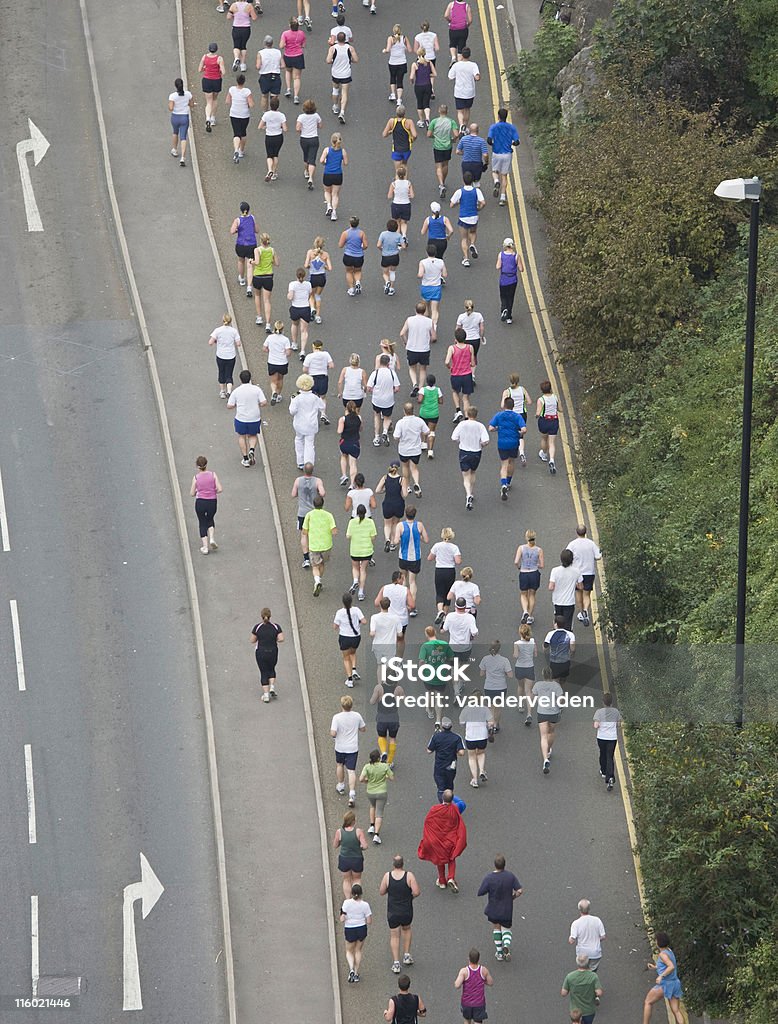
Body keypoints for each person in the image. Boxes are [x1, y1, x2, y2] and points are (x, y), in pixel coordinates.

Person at [418, 788, 467, 890]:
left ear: (442, 798)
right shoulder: (455, 809)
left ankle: (442, 881)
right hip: (450, 840)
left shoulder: (434, 809)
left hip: (437, 840)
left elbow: (428, 822)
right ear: (452, 799)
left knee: (440, 860)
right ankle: (451, 877)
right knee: (451, 858)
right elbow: (462, 805)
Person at [380, 857, 421, 975]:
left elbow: (382, 891)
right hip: (406, 910)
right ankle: (407, 955)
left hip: (392, 911)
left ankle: (396, 963)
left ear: (393, 864)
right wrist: (410, 897)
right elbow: (417, 892)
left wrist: (391, 891)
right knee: (406, 929)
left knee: (394, 935)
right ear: (403, 864)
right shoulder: (409, 876)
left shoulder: (387, 876)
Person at [478, 855, 523, 961]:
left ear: (495, 865)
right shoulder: (510, 876)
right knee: (506, 928)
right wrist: (513, 897)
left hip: (493, 909)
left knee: (496, 928)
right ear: (504, 865)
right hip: (507, 909)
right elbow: (520, 890)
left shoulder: (489, 878)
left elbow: (480, 892)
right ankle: (506, 945)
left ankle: (499, 953)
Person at [331, 694, 367, 807]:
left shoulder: (336, 717)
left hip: (340, 747)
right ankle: (352, 793)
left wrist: (334, 735)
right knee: (351, 770)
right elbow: (363, 729)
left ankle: (341, 785)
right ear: (351, 705)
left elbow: (333, 733)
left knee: (340, 765)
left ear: (342, 705)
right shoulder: (357, 716)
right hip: (352, 748)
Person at [488, 396, 526, 500]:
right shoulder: (517, 416)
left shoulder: (499, 415)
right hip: (514, 443)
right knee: (511, 462)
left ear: (504, 405)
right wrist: (518, 432)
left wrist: (498, 428)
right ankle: (508, 482)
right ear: (513, 406)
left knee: (504, 464)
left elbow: (490, 428)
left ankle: (503, 483)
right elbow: (524, 429)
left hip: (502, 443)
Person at [227, 369, 267, 466]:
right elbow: (264, 402)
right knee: (252, 435)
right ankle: (252, 449)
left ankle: (245, 458)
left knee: (242, 436)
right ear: (250, 378)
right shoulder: (257, 390)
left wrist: (237, 405)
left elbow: (229, 405)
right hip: (254, 417)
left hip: (241, 418)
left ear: (240, 379)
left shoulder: (237, 391)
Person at [452, 406, 489, 510]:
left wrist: (460, 441)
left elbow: (453, 437)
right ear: (476, 415)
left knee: (465, 475)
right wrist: (481, 445)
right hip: (476, 452)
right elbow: (486, 440)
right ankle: (471, 493)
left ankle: (468, 494)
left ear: (467, 414)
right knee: (473, 472)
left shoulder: (462, 424)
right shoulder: (480, 426)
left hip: (464, 451)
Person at [643, 933, 685, 1024]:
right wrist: (655, 967)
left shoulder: (662, 955)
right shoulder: (669, 951)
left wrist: (661, 976)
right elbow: (666, 965)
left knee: (648, 1002)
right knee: (676, 1010)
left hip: (666, 984)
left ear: (658, 943)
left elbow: (671, 966)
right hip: (675, 984)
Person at [302, 494, 337, 595]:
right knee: (322, 564)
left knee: (315, 566)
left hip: (314, 545)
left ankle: (317, 581)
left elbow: (304, 532)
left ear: (313, 504)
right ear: (323, 504)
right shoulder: (329, 515)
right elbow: (334, 531)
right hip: (326, 545)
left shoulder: (309, 515)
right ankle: (319, 580)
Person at [291, 462, 325, 568]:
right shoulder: (317, 481)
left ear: (304, 470)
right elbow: (323, 493)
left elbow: (293, 494)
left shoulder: (298, 480)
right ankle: (316, 554)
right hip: (314, 512)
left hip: (302, 512)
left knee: (304, 535)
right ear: (312, 470)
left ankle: (306, 559)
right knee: (315, 533)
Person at [568, 524, 602, 627]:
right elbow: (598, 556)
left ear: (577, 532)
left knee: (578, 594)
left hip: (577, 573)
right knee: (586, 594)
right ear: (585, 532)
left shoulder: (572, 544)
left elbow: (567, 556)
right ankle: (586, 610)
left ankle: (582, 612)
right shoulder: (591, 544)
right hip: (589, 572)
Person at [459, 691, 494, 788]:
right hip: (482, 736)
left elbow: (461, 722)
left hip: (470, 736)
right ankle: (482, 770)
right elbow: (491, 722)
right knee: (481, 753)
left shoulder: (466, 709)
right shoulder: (485, 709)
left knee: (471, 757)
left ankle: (474, 779)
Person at [418, 626, 453, 724]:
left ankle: (430, 711)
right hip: (441, 675)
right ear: (435, 632)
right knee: (439, 697)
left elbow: (421, 661)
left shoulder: (425, 646)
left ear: (426, 634)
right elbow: (450, 657)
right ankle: (438, 720)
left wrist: (421, 669)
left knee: (429, 693)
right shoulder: (445, 644)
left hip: (428, 675)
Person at [393, 404, 430, 497]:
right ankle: (416, 483)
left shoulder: (400, 423)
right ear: (413, 410)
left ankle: (407, 486)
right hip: (416, 449)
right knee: (414, 468)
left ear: (404, 411)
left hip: (404, 450)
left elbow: (396, 437)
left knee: (405, 467)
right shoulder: (419, 421)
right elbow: (427, 431)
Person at [394, 507, 428, 606]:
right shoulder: (419, 525)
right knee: (412, 582)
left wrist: (399, 539)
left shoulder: (400, 525)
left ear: (405, 514)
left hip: (403, 557)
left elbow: (396, 541)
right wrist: (418, 536)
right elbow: (426, 540)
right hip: (415, 558)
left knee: (403, 580)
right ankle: (412, 605)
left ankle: (402, 603)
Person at [289, 373, 324, 468]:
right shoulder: (315, 396)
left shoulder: (296, 396)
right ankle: (309, 463)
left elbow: (292, 411)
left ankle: (300, 461)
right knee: (310, 444)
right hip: (311, 424)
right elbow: (322, 406)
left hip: (299, 423)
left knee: (299, 440)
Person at [450, 171, 485, 266]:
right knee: (473, 232)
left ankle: (466, 259)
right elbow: (483, 202)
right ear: (472, 181)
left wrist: (458, 202)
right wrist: (479, 208)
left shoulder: (459, 191)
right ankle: (472, 244)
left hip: (463, 218)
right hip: (474, 217)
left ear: (463, 180)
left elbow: (451, 205)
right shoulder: (477, 191)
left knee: (464, 238)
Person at [376, 569, 413, 657]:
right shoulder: (405, 590)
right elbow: (412, 605)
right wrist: (407, 607)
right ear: (398, 579)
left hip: (387, 619)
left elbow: (377, 602)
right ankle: (399, 659)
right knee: (400, 640)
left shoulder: (385, 588)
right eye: (402, 579)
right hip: (402, 620)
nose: (403, 581)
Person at [359, 748, 394, 843]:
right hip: (381, 792)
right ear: (379, 758)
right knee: (379, 813)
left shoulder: (367, 767)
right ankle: (376, 835)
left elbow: (361, 779)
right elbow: (392, 777)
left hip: (370, 791)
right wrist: (384, 777)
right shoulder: (384, 766)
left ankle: (371, 826)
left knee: (372, 806)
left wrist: (367, 781)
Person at [443, 597, 478, 691]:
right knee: (463, 665)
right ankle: (461, 682)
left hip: (453, 647)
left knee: (454, 667)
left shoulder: (450, 616)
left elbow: (445, 629)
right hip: (466, 647)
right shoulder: (470, 618)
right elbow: (474, 632)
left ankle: (456, 690)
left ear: (455, 606)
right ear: (465, 607)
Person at [533, 667, 564, 774]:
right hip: (553, 713)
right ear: (551, 675)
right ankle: (549, 749)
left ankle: (545, 758)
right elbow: (561, 700)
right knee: (551, 732)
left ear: (543, 674)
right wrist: (560, 706)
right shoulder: (556, 686)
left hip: (542, 712)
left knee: (543, 736)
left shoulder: (538, 685)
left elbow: (533, 695)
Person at [429, 527, 462, 625]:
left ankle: (440, 611)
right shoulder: (454, 547)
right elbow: (458, 561)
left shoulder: (437, 546)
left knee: (439, 592)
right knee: (448, 593)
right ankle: (445, 618)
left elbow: (430, 558)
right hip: (450, 571)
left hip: (439, 570)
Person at [340, 883, 372, 984]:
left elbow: (342, 918)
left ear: (352, 893)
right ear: (361, 894)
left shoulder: (346, 903)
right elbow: (369, 921)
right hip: (361, 928)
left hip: (350, 928)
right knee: (358, 950)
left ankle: (351, 969)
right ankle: (357, 973)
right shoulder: (365, 905)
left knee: (349, 951)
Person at [488, 108, 520, 205]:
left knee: (494, 171)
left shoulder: (493, 127)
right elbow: (517, 142)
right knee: (505, 176)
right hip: (507, 154)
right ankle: (502, 197)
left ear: (498, 116)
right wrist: (512, 143)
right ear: (506, 116)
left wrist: (494, 144)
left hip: (497, 153)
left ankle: (496, 180)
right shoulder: (512, 127)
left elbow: (489, 140)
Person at [401, 301, 436, 393]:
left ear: (415, 310)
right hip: (424, 349)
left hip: (412, 348)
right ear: (424, 311)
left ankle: (414, 384)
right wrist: (430, 340)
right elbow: (434, 337)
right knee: (423, 369)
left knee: (412, 368)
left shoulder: (409, 320)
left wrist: (406, 342)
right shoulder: (429, 321)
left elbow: (402, 333)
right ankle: (421, 388)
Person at [190, 456, 222, 554]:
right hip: (212, 501)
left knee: (202, 522)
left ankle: (205, 547)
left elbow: (191, 493)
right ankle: (212, 538)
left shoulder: (196, 478)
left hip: (200, 502)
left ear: (197, 466)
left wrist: (197, 492)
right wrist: (213, 491)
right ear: (206, 465)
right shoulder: (213, 475)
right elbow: (220, 489)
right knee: (210, 519)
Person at [250, 608, 284, 702]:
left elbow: (252, 640)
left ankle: (266, 695)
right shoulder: (276, 626)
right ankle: (272, 687)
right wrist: (273, 639)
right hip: (273, 651)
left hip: (261, 652)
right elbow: (281, 638)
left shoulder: (258, 627)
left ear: (261, 616)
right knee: (271, 669)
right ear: (270, 616)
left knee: (263, 672)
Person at [334, 591, 366, 687]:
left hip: (344, 637)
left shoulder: (339, 612)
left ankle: (350, 679)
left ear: (343, 602)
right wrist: (358, 622)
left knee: (346, 658)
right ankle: (354, 669)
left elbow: (335, 626)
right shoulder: (356, 610)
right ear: (351, 601)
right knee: (353, 653)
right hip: (356, 637)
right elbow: (364, 621)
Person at [368, 355, 401, 446]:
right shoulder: (392, 373)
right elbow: (397, 388)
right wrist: (392, 391)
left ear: (380, 362)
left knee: (377, 416)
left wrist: (374, 391)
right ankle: (385, 432)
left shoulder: (375, 373)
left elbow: (369, 387)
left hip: (377, 400)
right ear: (388, 363)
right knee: (387, 417)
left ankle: (376, 437)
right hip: (388, 400)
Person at [479, 642, 512, 729]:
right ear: (499, 650)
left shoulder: (485, 659)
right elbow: (510, 675)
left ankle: (490, 725)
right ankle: (496, 724)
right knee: (498, 707)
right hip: (501, 687)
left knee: (491, 707)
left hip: (489, 686)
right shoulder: (505, 660)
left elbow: (481, 673)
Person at [428, 105, 459, 197]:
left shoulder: (434, 121)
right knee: (445, 165)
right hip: (447, 146)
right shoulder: (451, 121)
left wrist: (434, 137)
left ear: (439, 111)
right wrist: (453, 139)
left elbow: (429, 134)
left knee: (438, 166)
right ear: (447, 111)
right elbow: (457, 134)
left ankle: (441, 184)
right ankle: (443, 181)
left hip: (437, 146)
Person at [561, 955, 604, 1024]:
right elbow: (599, 992)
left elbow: (563, 993)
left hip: (575, 1011)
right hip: (589, 1010)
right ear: (588, 963)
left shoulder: (570, 976)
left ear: (577, 962)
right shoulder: (593, 976)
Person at [327, 32, 359, 124]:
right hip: (346, 74)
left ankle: (335, 106)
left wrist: (333, 60)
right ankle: (342, 112)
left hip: (336, 73)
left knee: (335, 90)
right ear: (345, 39)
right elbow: (356, 59)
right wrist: (350, 59)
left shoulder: (332, 48)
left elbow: (328, 60)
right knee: (344, 93)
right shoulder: (350, 48)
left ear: (337, 39)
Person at [208, 313, 242, 400]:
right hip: (231, 356)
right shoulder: (234, 331)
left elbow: (210, 342)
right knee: (229, 374)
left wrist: (217, 341)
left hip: (221, 355)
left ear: (223, 320)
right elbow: (238, 344)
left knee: (221, 372)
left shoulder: (218, 330)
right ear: (230, 321)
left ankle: (222, 391)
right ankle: (229, 391)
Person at [333, 813, 368, 898]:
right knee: (357, 879)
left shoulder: (339, 831)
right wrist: (360, 848)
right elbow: (365, 846)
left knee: (346, 880)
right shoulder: (358, 831)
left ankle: (348, 900)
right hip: (356, 859)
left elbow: (335, 845)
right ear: (353, 821)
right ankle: (356, 896)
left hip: (344, 858)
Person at [249, 232, 279, 330]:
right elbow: (277, 263)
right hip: (268, 276)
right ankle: (268, 324)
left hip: (258, 276)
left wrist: (251, 262)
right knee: (267, 300)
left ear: (261, 241)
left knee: (257, 296)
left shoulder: (257, 250)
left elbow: (257, 262)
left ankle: (259, 317)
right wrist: (271, 260)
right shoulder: (272, 250)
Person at [455, 949, 493, 1023]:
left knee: (467, 1020)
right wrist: (483, 980)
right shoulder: (484, 970)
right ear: (478, 959)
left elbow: (457, 985)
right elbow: (490, 982)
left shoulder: (464, 971)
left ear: (468, 958)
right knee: (478, 1022)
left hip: (466, 1003)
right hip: (479, 1004)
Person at [370, 597, 403, 683]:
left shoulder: (374, 617)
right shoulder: (395, 618)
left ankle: (380, 685)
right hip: (390, 645)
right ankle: (389, 684)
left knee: (380, 665)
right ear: (389, 606)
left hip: (378, 645)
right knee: (389, 666)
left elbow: (372, 633)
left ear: (380, 606)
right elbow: (400, 634)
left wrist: (373, 633)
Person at [593, 692, 622, 791]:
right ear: (611, 703)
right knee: (610, 756)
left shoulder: (599, 712)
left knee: (602, 753)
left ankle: (603, 771)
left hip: (601, 737)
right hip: (612, 738)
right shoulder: (616, 712)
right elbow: (619, 724)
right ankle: (610, 777)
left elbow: (596, 725)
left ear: (603, 702)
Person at [347, 504, 377, 599]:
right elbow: (373, 537)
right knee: (363, 569)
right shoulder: (370, 522)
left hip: (355, 550)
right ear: (365, 513)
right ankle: (361, 592)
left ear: (356, 513)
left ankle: (355, 580)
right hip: (366, 550)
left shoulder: (352, 522)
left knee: (355, 568)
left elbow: (348, 536)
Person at [376, 462, 407, 551]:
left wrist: (385, 490)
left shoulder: (385, 478)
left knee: (387, 524)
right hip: (398, 504)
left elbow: (377, 490)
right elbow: (404, 494)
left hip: (387, 503)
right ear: (398, 468)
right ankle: (393, 543)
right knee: (395, 523)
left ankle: (387, 539)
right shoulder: (401, 479)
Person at [549, 549, 583, 630]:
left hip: (557, 601)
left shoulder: (555, 570)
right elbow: (581, 587)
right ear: (572, 560)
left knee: (558, 623)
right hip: (569, 602)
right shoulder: (576, 571)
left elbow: (551, 587)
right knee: (568, 625)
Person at [446, 327, 476, 421]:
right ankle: (467, 417)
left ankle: (458, 410)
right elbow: (473, 363)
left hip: (456, 374)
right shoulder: (470, 347)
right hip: (467, 375)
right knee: (466, 397)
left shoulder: (452, 348)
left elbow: (447, 361)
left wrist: (450, 367)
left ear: (455, 338)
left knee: (455, 392)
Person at [447, 48, 480, 132]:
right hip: (470, 92)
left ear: (462, 55)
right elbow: (477, 77)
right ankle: (465, 125)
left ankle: (461, 125)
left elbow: (450, 77)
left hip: (459, 91)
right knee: (467, 109)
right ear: (469, 55)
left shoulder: (456, 65)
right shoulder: (473, 65)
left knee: (460, 111)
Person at [515, 529, 544, 623]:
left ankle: (525, 611)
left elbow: (516, 561)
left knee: (523, 594)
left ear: (526, 538)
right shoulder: (539, 550)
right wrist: (536, 565)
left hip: (524, 573)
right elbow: (542, 565)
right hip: (534, 573)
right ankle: (530, 616)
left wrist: (519, 566)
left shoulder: (521, 548)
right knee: (532, 595)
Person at [501, 373, 531, 463]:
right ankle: (521, 452)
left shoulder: (507, 392)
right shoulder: (522, 389)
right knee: (520, 435)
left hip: (511, 414)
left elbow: (502, 405)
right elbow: (529, 402)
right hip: (522, 414)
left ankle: (510, 452)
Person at [569, 899, 606, 971]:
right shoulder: (597, 920)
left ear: (579, 909)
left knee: (583, 971)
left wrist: (571, 938)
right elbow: (603, 936)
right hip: (595, 953)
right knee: (592, 972)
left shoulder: (576, 923)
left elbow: (571, 941)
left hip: (582, 954)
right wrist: (596, 939)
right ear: (589, 909)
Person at [230, 200, 257, 294]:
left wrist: (238, 230)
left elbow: (232, 231)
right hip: (251, 245)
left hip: (241, 245)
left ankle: (242, 279)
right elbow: (256, 230)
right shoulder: (252, 218)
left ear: (241, 210)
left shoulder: (237, 220)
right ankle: (249, 287)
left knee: (241, 260)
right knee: (250, 265)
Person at [321, 133, 348, 222]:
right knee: (335, 194)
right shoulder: (343, 151)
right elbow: (346, 163)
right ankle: (334, 213)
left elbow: (321, 160)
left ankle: (329, 205)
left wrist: (325, 163)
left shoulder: (327, 150)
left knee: (327, 191)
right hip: (338, 174)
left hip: (328, 174)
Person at [257, 93, 286, 179]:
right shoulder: (281, 115)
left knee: (269, 155)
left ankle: (269, 170)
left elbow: (259, 127)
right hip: (278, 137)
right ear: (278, 106)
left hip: (269, 136)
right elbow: (285, 129)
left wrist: (266, 126)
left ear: (270, 105)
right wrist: (280, 126)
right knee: (275, 155)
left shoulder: (266, 114)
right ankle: (274, 172)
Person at [513, 623, 537, 727]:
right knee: (529, 691)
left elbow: (516, 655)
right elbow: (535, 654)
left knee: (520, 686)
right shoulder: (532, 642)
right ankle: (529, 713)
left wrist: (515, 654)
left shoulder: (517, 643)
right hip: (529, 667)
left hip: (519, 667)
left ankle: (520, 704)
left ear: (520, 633)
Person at [496, 238, 524, 324]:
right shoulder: (516, 256)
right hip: (513, 280)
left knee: (503, 296)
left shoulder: (501, 255)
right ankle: (509, 317)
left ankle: (504, 308)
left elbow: (498, 267)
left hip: (503, 279)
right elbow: (521, 269)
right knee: (510, 297)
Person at [263, 319, 292, 403]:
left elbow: (264, 348)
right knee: (280, 379)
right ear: (282, 329)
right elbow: (288, 353)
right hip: (282, 362)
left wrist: (270, 350)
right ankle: (278, 395)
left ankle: (273, 392)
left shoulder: (270, 337)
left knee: (273, 380)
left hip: (272, 362)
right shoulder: (285, 339)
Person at [417, 246, 447, 327]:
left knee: (425, 307)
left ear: (427, 252)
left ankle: (426, 324)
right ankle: (434, 326)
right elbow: (445, 274)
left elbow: (420, 274)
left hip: (426, 287)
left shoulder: (423, 262)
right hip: (436, 287)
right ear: (435, 252)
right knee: (434, 310)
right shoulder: (441, 262)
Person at [304, 236, 331, 323]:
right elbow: (330, 268)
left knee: (311, 295)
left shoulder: (310, 252)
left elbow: (306, 265)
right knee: (317, 295)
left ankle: (312, 308)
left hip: (313, 277)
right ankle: (318, 316)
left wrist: (309, 266)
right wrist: (324, 266)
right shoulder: (325, 255)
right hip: (322, 277)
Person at [280, 17, 306, 105]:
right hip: (298, 56)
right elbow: (303, 45)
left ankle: (288, 89)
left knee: (288, 71)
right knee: (297, 77)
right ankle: (296, 96)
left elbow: (281, 45)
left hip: (288, 55)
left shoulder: (285, 34)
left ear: (289, 25)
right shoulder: (302, 33)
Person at [296, 98, 322, 189]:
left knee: (306, 156)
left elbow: (298, 128)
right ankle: (311, 178)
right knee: (312, 158)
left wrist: (301, 131)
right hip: (314, 138)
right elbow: (320, 125)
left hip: (304, 139)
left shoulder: (301, 117)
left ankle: (306, 171)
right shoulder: (316, 116)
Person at [227, 74, 253, 163]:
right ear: (244, 81)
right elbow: (251, 104)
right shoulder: (247, 92)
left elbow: (227, 101)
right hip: (244, 115)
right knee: (243, 132)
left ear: (236, 81)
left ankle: (236, 150)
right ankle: (241, 151)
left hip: (234, 113)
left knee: (236, 133)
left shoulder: (232, 90)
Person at [288, 268, 314, 356]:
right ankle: (302, 350)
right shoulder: (308, 284)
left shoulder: (292, 284)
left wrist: (289, 295)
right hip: (305, 308)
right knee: (304, 330)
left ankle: (294, 343)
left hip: (295, 308)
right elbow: (310, 294)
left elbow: (290, 296)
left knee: (295, 325)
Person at [456, 299, 485, 379]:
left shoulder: (461, 317)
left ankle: (464, 373)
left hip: (464, 339)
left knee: (465, 356)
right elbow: (481, 328)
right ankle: (472, 374)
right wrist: (481, 336)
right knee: (473, 356)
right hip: (475, 340)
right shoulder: (479, 315)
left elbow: (458, 329)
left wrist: (456, 339)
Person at [198, 42, 224, 131]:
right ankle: (213, 118)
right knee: (215, 99)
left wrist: (206, 68)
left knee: (208, 101)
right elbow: (223, 72)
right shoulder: (219, 59)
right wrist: (219, 70)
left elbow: (199, 70)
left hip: (207, 80)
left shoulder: (204, 57)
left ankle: (207, 118)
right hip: (216, 80)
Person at [537, 379, 561, 473]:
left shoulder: (541, 400)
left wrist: (536, 415)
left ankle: (544, 454)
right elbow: (560, 409)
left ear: (542, 390)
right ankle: (552, 460)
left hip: (544, 421)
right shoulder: (555, 397)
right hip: (554, 421)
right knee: (552, 442)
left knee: (544, 439)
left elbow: (538, 413)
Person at [383, 24, 412, 105]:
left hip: (393, 62)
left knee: (392, 77)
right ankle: (399, 99)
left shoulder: (390, 38)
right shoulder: (404, 38)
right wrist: (404, 48)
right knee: (400, 80)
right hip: (402, 62)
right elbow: (410, 50)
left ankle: (393, 94)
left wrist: (384, 50)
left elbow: (388, 49)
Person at [377, 219, 406, 297]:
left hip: (385, 256)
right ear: (397, 228)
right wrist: (399, 248)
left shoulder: (383, 234)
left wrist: (382, 250)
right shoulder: (398, 235)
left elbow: (378, 245)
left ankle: (387, 282)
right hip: (395, 256)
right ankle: (392, 288)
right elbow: (403, 246)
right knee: (392, 272)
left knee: (385, 273)